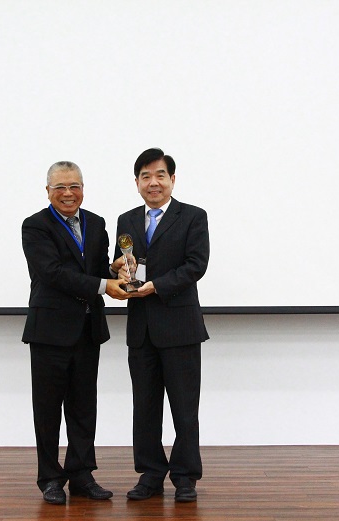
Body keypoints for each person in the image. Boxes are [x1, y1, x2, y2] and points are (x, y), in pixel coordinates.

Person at [21, 161, 129, 504]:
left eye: (74, 186)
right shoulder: (35, 226)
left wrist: (112, 269)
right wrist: (103, 284)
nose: (68, 193)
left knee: (84, 407)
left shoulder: (96, 224)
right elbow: (53, 273)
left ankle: (82, 475)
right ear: (48, 191)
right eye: (60, 187)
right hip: (50, 331)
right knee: (48, 408)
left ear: (83, 187)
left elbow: (95, 270)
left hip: (87, 329)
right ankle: (50, 478)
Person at [114, 148, 210, 503]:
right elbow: (123, 262)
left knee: (184, 408)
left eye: (159, 175)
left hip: (180, 326)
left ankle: (185, 477)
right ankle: (150, 474)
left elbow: (195, 265)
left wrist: (157, 285)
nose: (152, 183)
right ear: (137, 181)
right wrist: (120, 271)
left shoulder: (193, 217)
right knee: (145, 406)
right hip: (141, 329)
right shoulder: (126, 219)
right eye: (145, 176)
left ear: (172, 179)